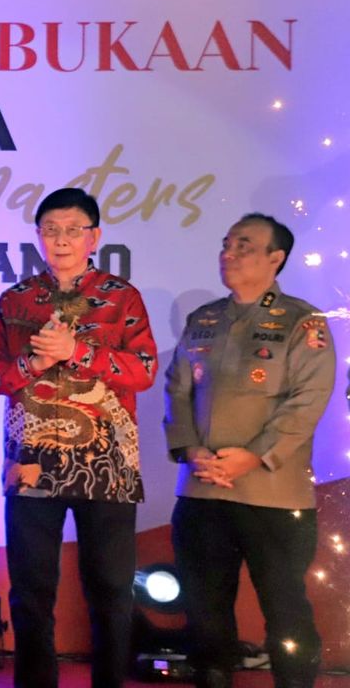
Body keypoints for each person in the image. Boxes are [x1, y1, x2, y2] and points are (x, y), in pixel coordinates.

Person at [0, 188, 158, 688]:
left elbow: (144, 370)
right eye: (50, 230)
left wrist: (77, 351)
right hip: (31, 465)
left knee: (111, 591)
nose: (61, 240)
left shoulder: (121, 297)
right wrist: (33, 363)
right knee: (31, 593)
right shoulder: (16, 299)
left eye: (73, 230)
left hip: (107, 465)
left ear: (93, 237)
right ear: (38, 236)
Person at [164, 213, 336, 688]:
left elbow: (308, 399)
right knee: (204, 612)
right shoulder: (204, 319)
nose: (229, 253)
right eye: (226, 243)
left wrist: (254, 456)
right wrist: (190, 448)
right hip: (202, 492)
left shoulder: (303, 322)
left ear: (276, 258)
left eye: (244, 245)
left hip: (273, 497)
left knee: (285, 610)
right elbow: (177, 389)